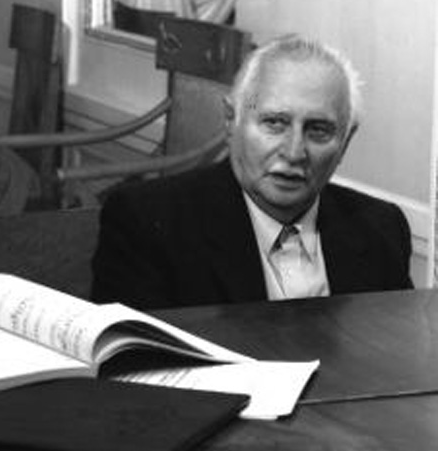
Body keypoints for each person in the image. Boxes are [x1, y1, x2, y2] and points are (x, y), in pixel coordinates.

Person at [91, 35, 413, 310]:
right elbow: (135, 362)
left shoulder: (381, 228)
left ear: (345, 141)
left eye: (318, 130)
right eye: (275, 123)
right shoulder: (148, 223)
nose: (293, 152)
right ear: (231, 121)